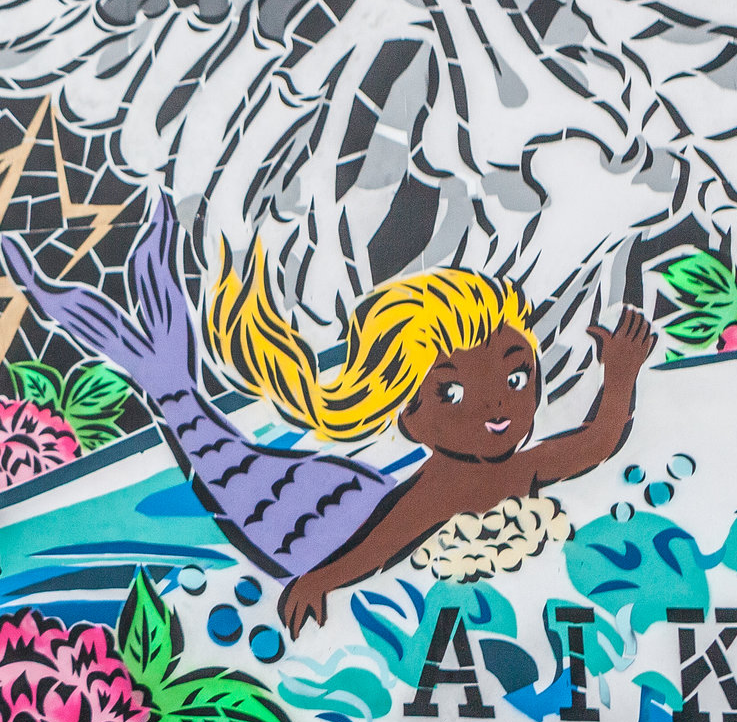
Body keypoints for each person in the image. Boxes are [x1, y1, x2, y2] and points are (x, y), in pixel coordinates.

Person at [204, 241, 656, 633]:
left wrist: (620, 376)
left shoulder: (525, 467)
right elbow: (379, 546)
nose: (496, 405)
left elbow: (597, 442)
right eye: (452, 392)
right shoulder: (435, 493)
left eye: (516, 377)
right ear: (410, 419)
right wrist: (319, 581)